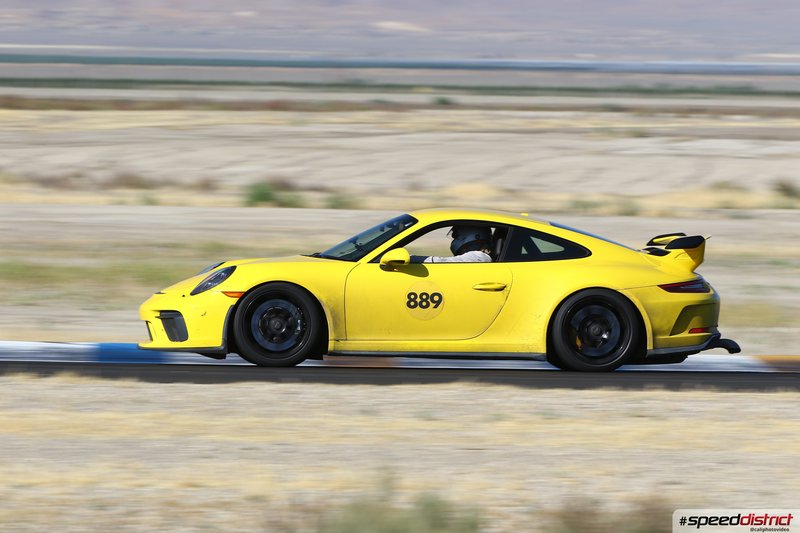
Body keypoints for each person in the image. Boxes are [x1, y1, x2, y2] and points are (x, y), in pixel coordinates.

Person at [413, 225, 493, 263]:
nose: (454, 240)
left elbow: (442, 262)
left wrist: (412, 259)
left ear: (475, 235)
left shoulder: (478, 257)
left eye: (456, 236)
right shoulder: (479, 257)